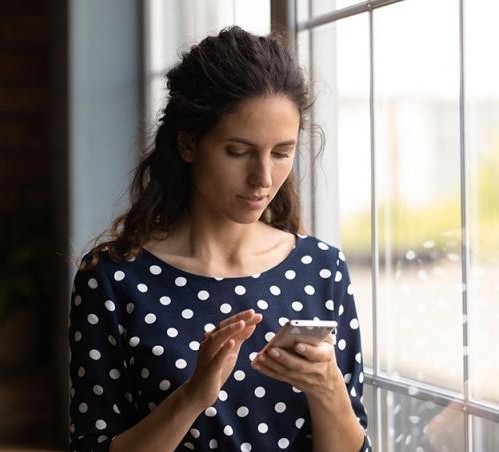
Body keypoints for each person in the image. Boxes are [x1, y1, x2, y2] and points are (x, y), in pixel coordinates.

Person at [68, 26, 371, 452]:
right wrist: (193, 396)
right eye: (238, 151)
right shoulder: (114, 279)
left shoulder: (322, 269)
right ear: (189, 143)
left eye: (281, 153)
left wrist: (328, 390)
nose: (263, 179)